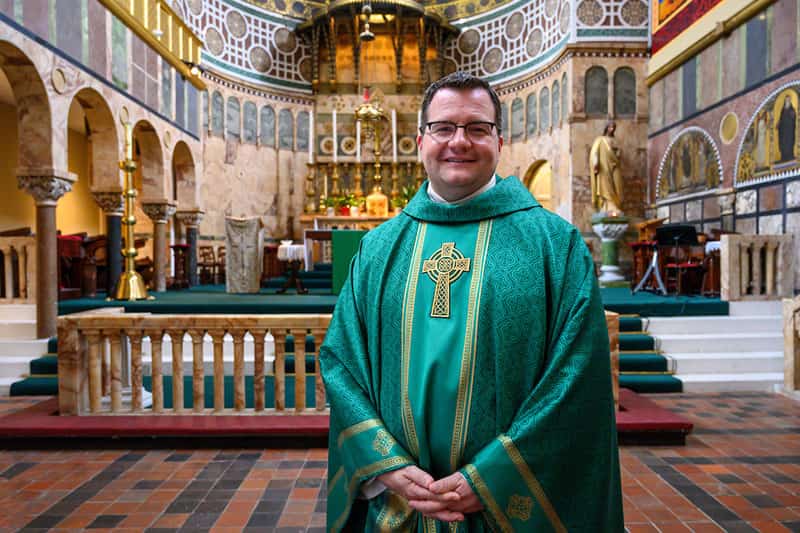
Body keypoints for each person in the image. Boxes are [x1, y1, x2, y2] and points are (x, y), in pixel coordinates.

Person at [320, 71, 623, 532]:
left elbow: (577, 377)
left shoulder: (554, 246)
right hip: (399, 507)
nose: (458, 141)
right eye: (444, 128)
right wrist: (384, 465)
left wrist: (492, 478)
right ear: (420, 140)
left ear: (499, 141)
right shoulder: (377, 249)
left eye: (477, 128)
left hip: (504, 510)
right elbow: (341, 361)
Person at [590, 121, 624, 215]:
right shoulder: (600, 140)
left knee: (617, 186)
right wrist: (596, 163)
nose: (612, 129)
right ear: (606, 128)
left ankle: (615, 206)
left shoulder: (615, 140)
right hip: (603, 168)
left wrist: (617, 154)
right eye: (610, 127)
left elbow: (619, 153)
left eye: (613, 127)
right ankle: (606, 206)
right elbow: (594, 153)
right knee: (604, 186)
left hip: (614, 166)